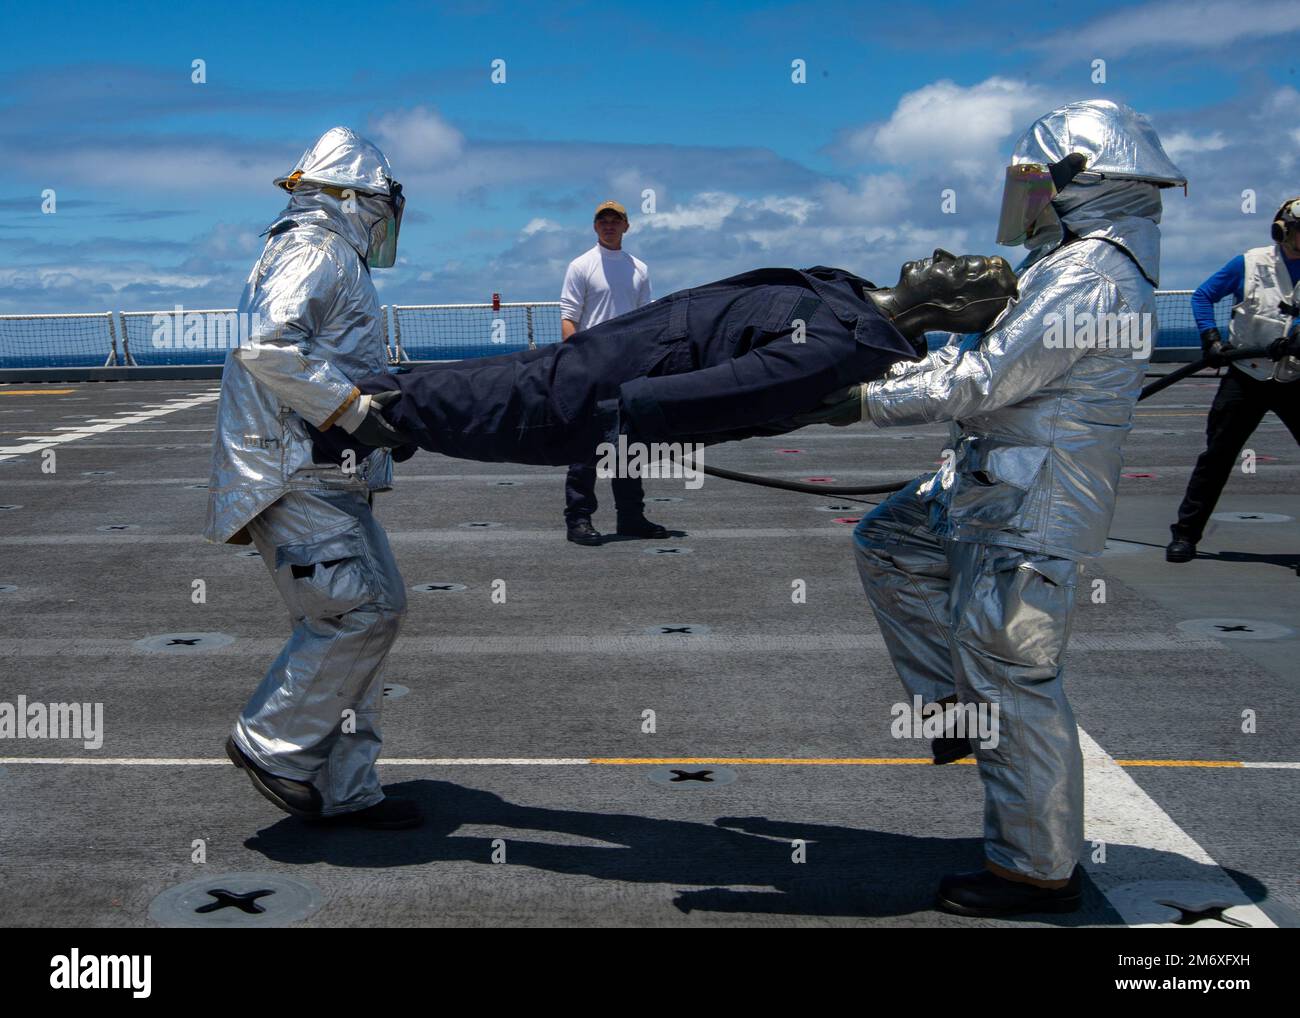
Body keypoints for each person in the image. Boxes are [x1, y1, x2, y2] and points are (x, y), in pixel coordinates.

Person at [848, 100, 1186, 917]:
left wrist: (855, 398)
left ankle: (1035, 870)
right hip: (993, 486)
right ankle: (954, 708)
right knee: (889, 542)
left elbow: (983, 380)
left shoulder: (1089, 272)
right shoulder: (1073, 260)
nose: (1023, 201)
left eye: (1035, 184)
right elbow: (980, 359)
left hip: (1033, 509)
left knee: (1015, 679)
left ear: (1078, 185)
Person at [307, 252, 1020, 467]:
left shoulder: (844, 343)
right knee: (512, 378)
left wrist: (632, 413)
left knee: (514, 397)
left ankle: (347, 414)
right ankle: (360, 408)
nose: (945, 257)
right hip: (643, 340)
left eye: (964, 271)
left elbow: (742, 389)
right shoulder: (847, 294)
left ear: (947, 308)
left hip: (634, 381)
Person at [204, 127, 421, 830]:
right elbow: (267, 347)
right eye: (383, 204)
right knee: (364, 612)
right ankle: (270, 745)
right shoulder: (316, 250)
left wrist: (375, 424)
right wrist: (355, 411)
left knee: (357, 621)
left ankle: (346, 790)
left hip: (325, 473)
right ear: (357, 197)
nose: (387, 220)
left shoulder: (328, 256)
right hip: (295, 472)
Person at [1166, 197, 1300, 562]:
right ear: (1282, 231)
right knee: (1217, 458)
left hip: (1293, 376)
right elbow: (1204, 296)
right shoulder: (1251, 263)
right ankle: (1185, 536)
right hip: (1246, 375)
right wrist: (1210, 338)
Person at [560, 201, 664, 545]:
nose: (608, 225)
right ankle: (578, 520)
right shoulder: (581, 266)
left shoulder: (640, 269)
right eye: (602, 221)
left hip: (629, 368)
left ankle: (631, 517)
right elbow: (569, 319)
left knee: (629, 447)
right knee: (585, 446)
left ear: (626, 226)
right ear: (595, 227)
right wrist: (577, 364)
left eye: (615, 220)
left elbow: (647, 320)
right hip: (592, 367)